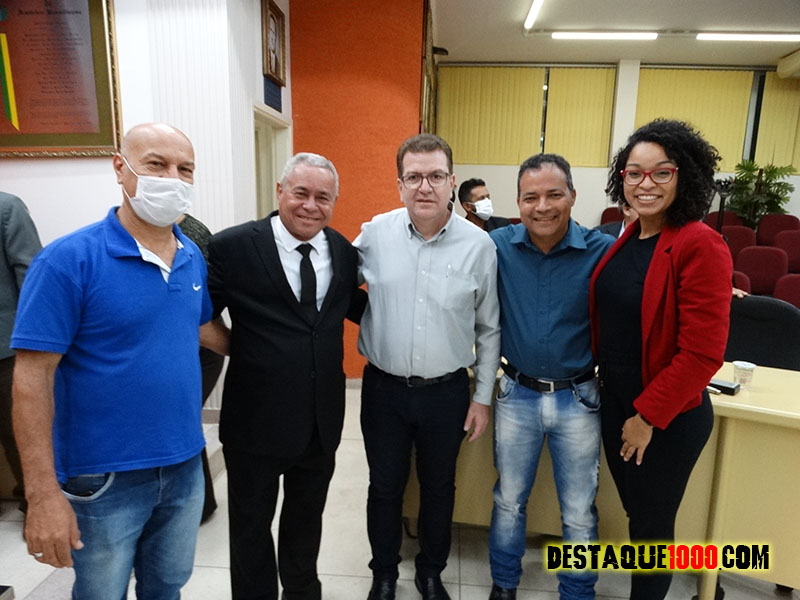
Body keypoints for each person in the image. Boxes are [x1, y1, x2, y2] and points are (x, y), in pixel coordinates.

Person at [11, 122, 230, 599]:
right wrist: (42, 493)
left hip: (183, 465)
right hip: (103, 476)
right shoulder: (67, 262)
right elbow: (31, 378)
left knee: (168, 585)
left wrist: (276, 345)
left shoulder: (190, 255)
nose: (172, 178)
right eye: (156, 164)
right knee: (102, 593)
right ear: (120, 168)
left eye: (185, 169)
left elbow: (201, 326)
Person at [589, 119, 733, 600]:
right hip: (618, 403)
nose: (644, 184)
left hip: (664, 416)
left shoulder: (700, 243)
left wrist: (646, 417)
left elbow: (702, 353)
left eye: (661, 172)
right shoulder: (632, 234)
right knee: (641, 520)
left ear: (683, 176)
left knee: (651, 529)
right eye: (634, 173)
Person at [207, 153, 361, 600]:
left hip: (320, 421)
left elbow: (353, 309)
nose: (311, 205)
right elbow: (199, 317)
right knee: (251, 528)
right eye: (301, 193)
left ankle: (302, 593)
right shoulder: (232, 246)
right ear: (280, 191)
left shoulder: (343, 252)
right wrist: (244, 349)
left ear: (334, 202)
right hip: (254, 421)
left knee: (306, 522)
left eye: (323, 197)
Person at [355, 133, 500, 600]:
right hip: (384, 390)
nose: (425, 187)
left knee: (439, 487)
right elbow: (335, 284)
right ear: (399, 184)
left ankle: (431, 571)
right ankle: (383, 573)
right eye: (414, 177)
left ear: (452, 182)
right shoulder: (374, 235)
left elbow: (489, 328)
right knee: (384, 486)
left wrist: (482, 399)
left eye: (436, 176)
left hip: (446, 392)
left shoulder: (479, 245)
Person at [487, 154, 614, 600]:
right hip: (515, 394)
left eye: (554, 194)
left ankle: (577, 593)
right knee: (508, 500)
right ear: (518, 202)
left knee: (579, 510)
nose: (542, 206)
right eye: (530, 197)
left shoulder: (602, 251)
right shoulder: (497, 245)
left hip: (579, 397)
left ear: (573, 196)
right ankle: (504, 584)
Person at [177, 213, 226, 522]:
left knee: (183, 419)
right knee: (184, 420)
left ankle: (200, 504)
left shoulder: (192, 236)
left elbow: (205, 309)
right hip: (178, 350)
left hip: (202, 349)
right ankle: (197, 503)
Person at [0, 192, 42, 514]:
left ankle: (37, 506)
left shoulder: (7, 208)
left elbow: (32, 277)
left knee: (20, 434)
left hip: (7, 348)